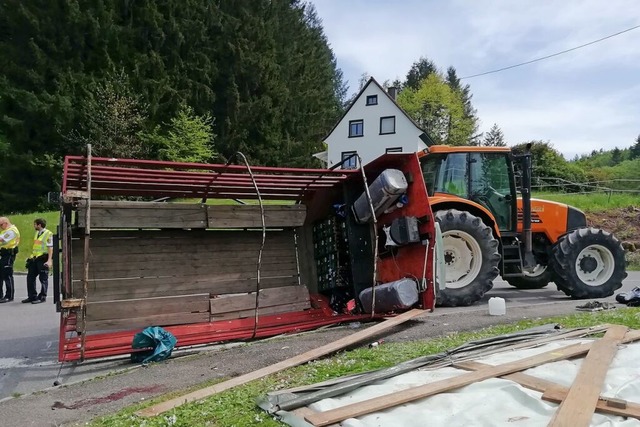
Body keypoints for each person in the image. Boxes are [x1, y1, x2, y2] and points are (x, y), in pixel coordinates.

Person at [24, 218, 53, 304]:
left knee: (43, 278)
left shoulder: (48, 234)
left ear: (39, 225)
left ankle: (42, 297)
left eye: (35, 224)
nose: (34, 226)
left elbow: (50, 247)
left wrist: (49, 260)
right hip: (35, 258)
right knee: (30, 277)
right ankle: (32, 296)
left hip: (43, 258)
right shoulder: (37, 233)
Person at [0, 217, 20, 303]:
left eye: (1, 225)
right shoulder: (5, 230)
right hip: (3, 254)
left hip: (9, 254)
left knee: (7, 274)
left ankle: (9, 296)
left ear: (6, 223)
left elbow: (2, 239)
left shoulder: (12, 231)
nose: (0, 227)